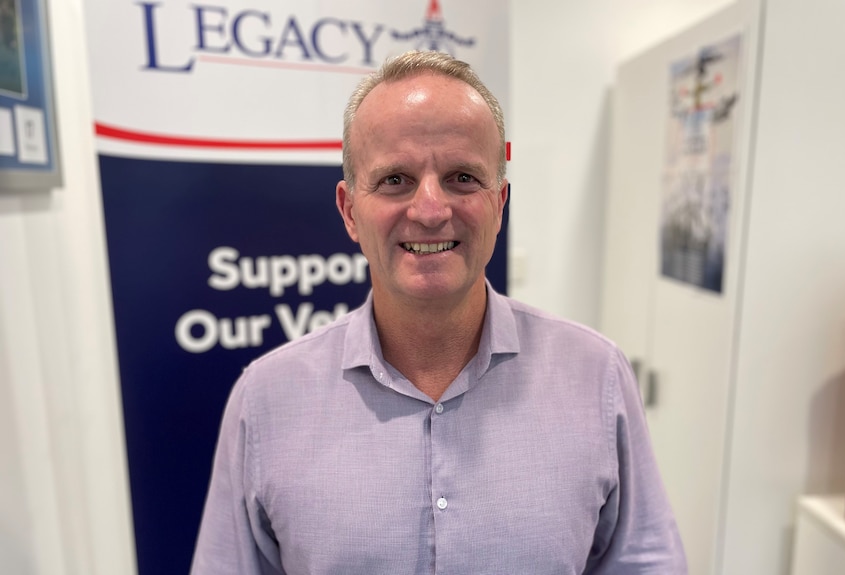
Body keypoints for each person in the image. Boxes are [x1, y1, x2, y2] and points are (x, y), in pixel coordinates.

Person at [191, 50, 687, 574]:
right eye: (395, 180)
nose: (430, 210)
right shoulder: (266, 400)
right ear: (349, 211)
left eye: (462, 178)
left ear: (500, 203)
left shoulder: (596, 375)